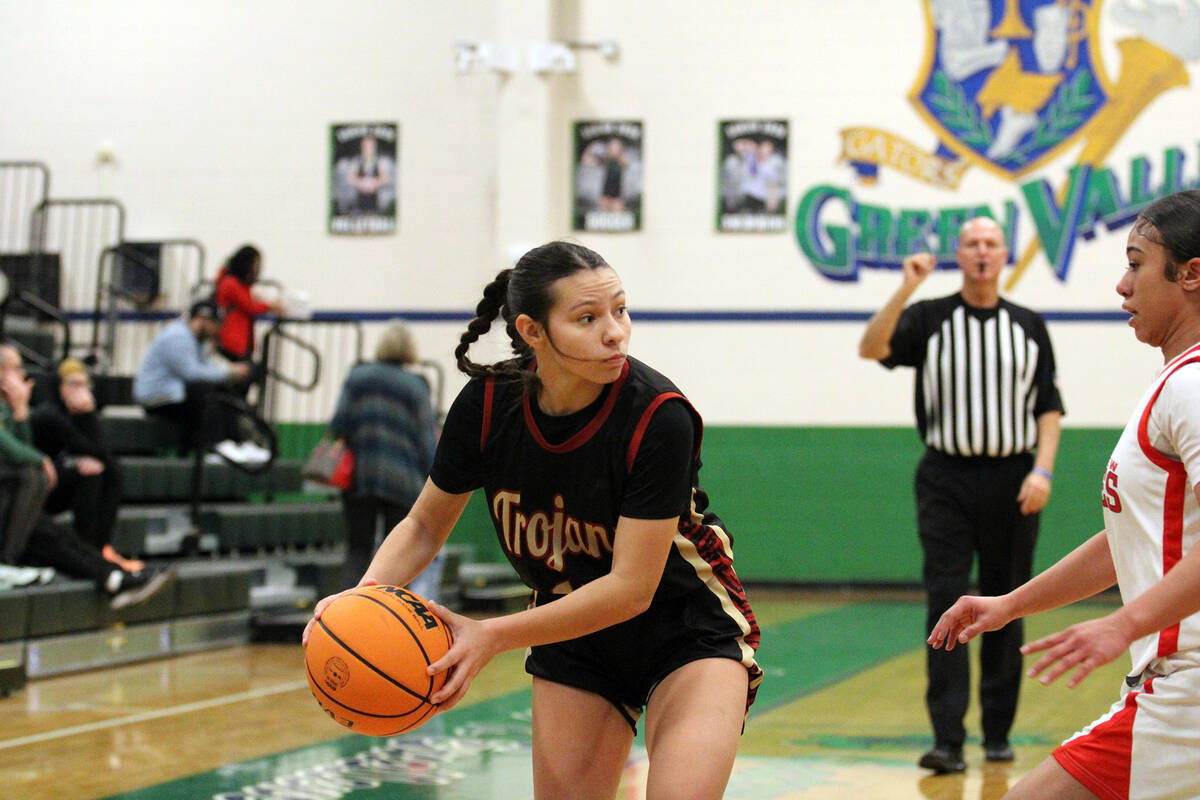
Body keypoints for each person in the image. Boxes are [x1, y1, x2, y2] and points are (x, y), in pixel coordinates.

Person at [304, 241, 762, 800]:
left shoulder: (657, 415)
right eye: (588, 318)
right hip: (573, 635)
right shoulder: (486, 407)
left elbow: (631, 588)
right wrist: (361, 599)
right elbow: (424, 526)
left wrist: (489, 634)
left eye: (621, 309)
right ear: (533, 330)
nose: (615, 332)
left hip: (685, 628)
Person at [929, 190, 1200, 800]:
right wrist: (1010, 604)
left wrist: (1121, 625)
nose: (1121, 285)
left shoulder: (1193, 387)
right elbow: (1132, 537)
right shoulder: (1174, 382)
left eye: (1135, 263)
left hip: (1186, 693)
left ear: (1190, 275)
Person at [859, 216, 1065, 773]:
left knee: (1009, 600)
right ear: (959, 254)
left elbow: (1049, 407)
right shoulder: (928, 316)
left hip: (1014, 477)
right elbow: (871, 346)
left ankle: (997, 733)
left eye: (990, 244)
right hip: (945, 478)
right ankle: (947, 740)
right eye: (971, 243)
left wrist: (1042, 472)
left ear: (1005, 256)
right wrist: (906, 286)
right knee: (944, 600)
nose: (980, 251)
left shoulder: (1027, 324)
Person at [0, 343, 173, 609]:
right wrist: (42, 459)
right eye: (17, 368)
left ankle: (113, 575)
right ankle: (110, 576)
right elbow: (14, 451)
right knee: (46, 532)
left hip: (21, 502)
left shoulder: (9, 407)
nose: (23, 374)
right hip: (15, 500)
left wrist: (21, 411)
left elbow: (103, 460)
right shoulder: (47, 414)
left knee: (56, 534)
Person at [328, 321, 438, 594]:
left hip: (359, 478)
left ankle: (343, 617)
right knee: (400, 557)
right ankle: (391, 623)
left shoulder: (358, 377)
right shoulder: (416, 386)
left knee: (358, 549)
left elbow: (338, 425)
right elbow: (426, 440)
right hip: (403, 481)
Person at [31, 358, 142, 573]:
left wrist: (88, 417)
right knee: (90, 472)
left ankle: (100, 549)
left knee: (110, 472)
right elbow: (84, 447)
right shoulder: (49, 414)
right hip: (40, 485)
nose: (80, 391)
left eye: (84, 385)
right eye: (74, 384)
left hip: (61, 478)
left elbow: (104, 457)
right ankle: (90, 555)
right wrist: (89, 415)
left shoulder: (78, 415)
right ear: (59, 387)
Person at [132, 299, 265, 464]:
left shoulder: (197, 339)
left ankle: (239, 443)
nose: (217, 330)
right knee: (204, 391)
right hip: (158, 398)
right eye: (215, 324)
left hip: (177, 395)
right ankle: (217, 445)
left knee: (223, 388)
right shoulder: (177, 336)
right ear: (203, 321)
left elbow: (207, 370)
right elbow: (191, 373)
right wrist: (229, 371)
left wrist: (230, 374)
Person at [214, 244, 281, 379]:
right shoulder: (231, 283)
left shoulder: (241, 285)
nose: (257, 269)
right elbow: (249, 307)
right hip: (232, 340)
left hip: (242, 340)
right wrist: (270, 306)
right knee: (244, 375)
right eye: (255, 264)